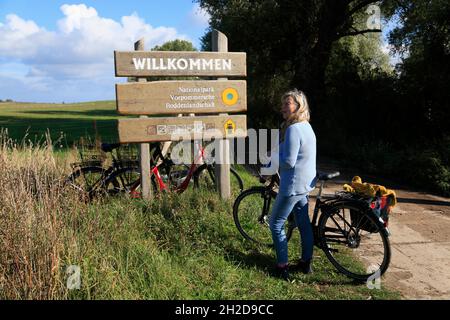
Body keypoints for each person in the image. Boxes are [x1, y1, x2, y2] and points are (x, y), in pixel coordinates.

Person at [269, 89, 317, 281]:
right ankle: (306, 263)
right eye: (282, 104)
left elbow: (288, 161)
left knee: (276, 224)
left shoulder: (293, 129)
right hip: (305, 184)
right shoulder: (306, 126)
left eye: (287, 104)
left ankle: (283, 267)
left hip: (292, 185)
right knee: (304, 223)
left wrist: (272, 159)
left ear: (299, 106)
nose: (283, 107)